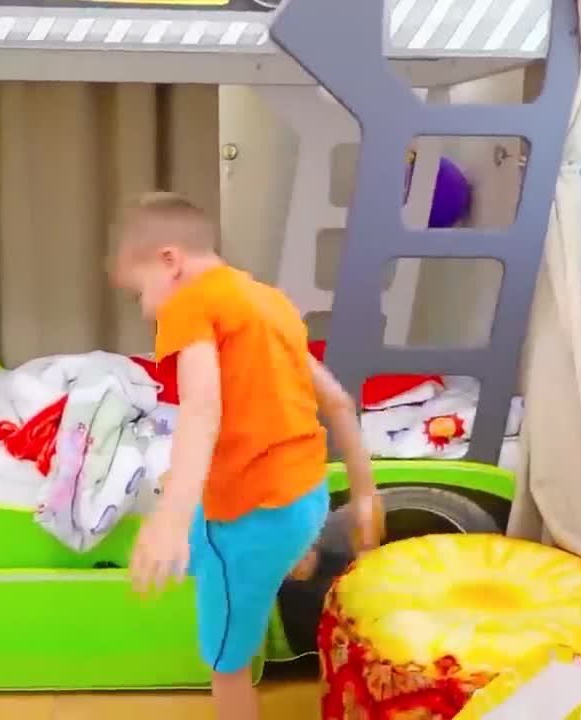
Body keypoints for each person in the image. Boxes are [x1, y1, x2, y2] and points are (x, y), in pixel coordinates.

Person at [108, 191, 384, 720]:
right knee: (203, 529)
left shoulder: (188, 302)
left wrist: (169, 519)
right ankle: (298, 557)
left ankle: (282, 566)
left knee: (226, 664)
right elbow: (337, 400)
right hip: (309, 497)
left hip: (253, 513)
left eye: (140, 291)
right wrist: (366, 493)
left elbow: (202, 409)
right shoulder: (268, 302)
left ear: (169, 261)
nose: (145, 309)